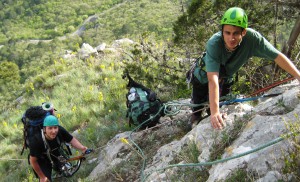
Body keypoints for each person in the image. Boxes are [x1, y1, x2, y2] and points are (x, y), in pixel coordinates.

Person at [190, 7, 300, 130]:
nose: (231, 38)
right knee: (197, 110)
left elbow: (278, 57)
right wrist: (215, 113)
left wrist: (298, 76)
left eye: (236, 33)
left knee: (219, 109)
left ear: (244, 32)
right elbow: (213, 80)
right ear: (222, 32)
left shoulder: (253, 40)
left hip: (225, 78)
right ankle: (194, 120)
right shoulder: (214, 43)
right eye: (227, 33)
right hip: (203, 77)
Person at [29, 115, 88, 182]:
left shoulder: (60, 130)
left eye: (55, 127)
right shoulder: (36, 141)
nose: (53, 131)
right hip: (42, 159)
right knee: (45, 180)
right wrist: (42, 177)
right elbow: (33, 161)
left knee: (66, 170)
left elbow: (71, 140)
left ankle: (59, 172)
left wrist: (82, 148)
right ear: (44, 129)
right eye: (50, 128)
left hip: (56, 153)